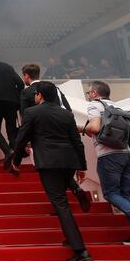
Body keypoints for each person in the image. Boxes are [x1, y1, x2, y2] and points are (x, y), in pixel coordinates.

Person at [11, 81, 92, 261]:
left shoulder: (32, 112)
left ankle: (80, 250)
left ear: (40, 95)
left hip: (48, 162)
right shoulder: (66, 114)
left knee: (60, 204)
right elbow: (77, 141)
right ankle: (70, 236)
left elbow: (21, 138)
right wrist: (82, 166)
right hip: (69, 160)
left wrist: (16, 161)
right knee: (61, 199)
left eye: (35, 94)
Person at [20, 63, 91, 211]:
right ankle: (75, 191)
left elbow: (25, 118)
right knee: (62, 170)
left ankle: (60, 205)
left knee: (51, 173)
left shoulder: (27, 93)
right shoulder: (55, 89)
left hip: (44, 139)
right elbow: (68, 108)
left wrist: (26, 142)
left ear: (26, 76)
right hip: (64, 130)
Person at [80, 80, 130, 244]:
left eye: (89, 93)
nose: (88, 96)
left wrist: (82, 128)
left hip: (108, 155)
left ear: (94, 94)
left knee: (111, 193)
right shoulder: (117, 107)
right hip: (125, 153)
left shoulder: (95, 105)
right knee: (127, 193)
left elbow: (94, 128)